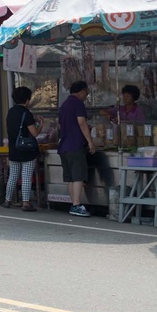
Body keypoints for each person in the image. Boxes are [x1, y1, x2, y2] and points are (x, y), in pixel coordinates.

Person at [58, 80, 96, 217]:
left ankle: (73, 203)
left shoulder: (64, 105)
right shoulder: (77, 103)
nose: (86, 95)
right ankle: (77, 205)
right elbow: (81, 122)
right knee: (78, 176)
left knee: (71, 178)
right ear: (81, 91)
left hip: (64, 146)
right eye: (86, 92)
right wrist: (90, 142)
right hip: (75, 145)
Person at [4, 86, 43, 212]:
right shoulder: (26, 113)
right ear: (27, 100)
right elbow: (35, 133)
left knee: (13, 176)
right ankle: (26, 203)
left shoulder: (10, 112)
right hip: (26, 150)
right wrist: (40, 125)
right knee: (26, 176)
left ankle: (7, 200)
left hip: (13, 149)